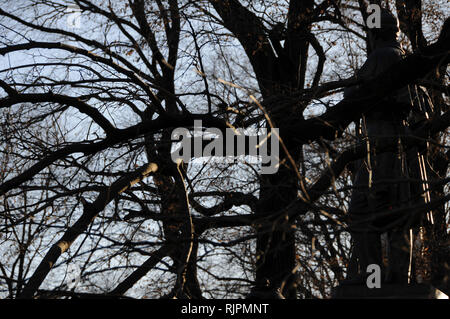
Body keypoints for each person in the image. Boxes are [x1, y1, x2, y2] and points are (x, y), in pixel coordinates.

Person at [344, 9, 414, 285]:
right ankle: (397, 277)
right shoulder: (403, 58)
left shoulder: (382, 57)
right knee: (397, 208)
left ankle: (373, 278)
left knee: (361, 212)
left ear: (376, 34)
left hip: (381, 142)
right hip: (390, 143)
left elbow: (352, 95)